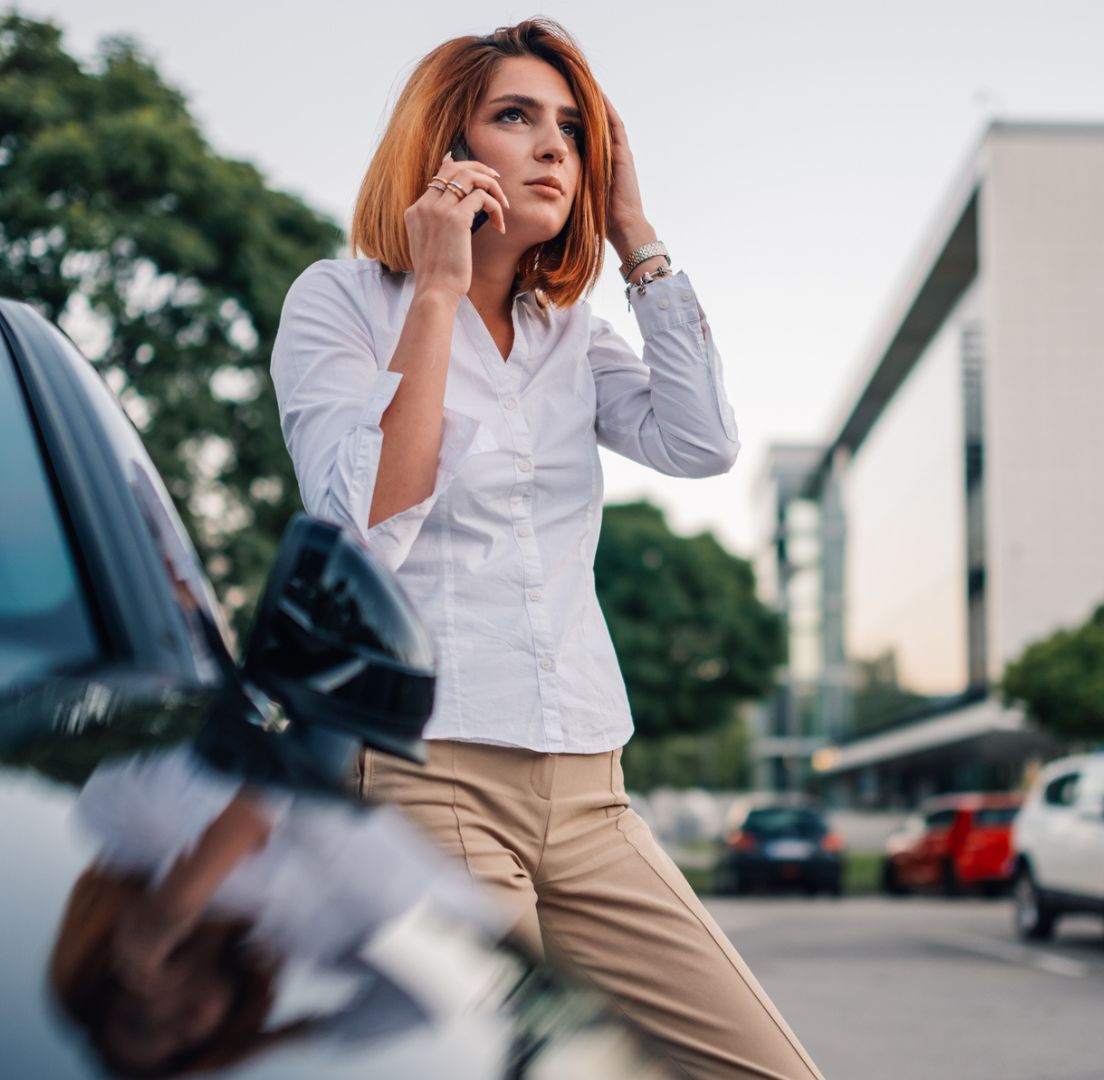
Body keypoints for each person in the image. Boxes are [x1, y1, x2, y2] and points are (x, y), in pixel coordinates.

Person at [269, 17, 823, 1079]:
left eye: (573, 129)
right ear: (445, 145)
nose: (554, 147)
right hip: (430, 776)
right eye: (517, 117)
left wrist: (636, 233)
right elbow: (363, 530)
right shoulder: (340, 302)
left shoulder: (572, 335)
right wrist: (437, 293)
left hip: (591, 787)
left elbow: (703, 443)